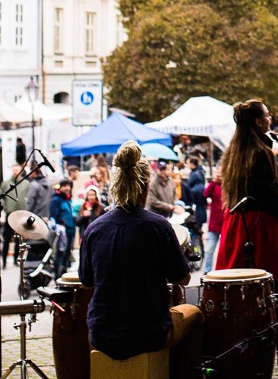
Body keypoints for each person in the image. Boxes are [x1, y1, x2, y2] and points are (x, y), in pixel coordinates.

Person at [80, 141, 201, 379]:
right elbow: (183, 279)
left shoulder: (94, 229)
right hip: (149, 332)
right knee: (195, 314)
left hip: (101, 333)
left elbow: (87, 282)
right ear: (145, 185)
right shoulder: (159, 226)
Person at [216, 99, 278, 368]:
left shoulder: (234, 152)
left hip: (237, 222)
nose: (271, 119)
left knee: (240, 289)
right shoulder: (260, 152)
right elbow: (267, 191)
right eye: (268, 116)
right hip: (261, 224)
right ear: (258, 122)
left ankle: (238, 347)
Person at [202, 166, 224, 270]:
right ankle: (207, 271)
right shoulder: (214, 185)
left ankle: (223, 270)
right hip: (214, 223)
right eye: (217, 173)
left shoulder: (227, 186)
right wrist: (213, 182)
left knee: (224, 250)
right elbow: (205, 194)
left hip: (225, 223)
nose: (219, 175)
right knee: (209, 250)